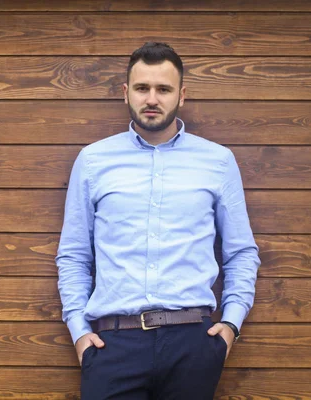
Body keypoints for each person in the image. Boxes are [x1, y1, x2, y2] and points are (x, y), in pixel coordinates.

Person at [55, 42, 260, 399]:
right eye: (142, 88)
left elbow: (241, 253)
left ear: (181, 95)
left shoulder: (218, 161)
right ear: (125, 93)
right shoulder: (92, 161)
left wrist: (230, 326)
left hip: (192, 344)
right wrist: (78, 332)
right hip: (111, 346)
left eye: (163, 89)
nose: (152, 98)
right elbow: (73, 255)